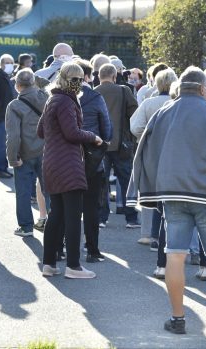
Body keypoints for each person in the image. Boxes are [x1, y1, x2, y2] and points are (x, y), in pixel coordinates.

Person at [126, 66, 206, 335]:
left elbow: (144, 151)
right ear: (203, 89)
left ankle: (177, 319)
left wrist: (148, 190)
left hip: (172, 196)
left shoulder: (163, 112)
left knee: (174, 256)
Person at [38, 62, 103, 279]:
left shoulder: (52, 99)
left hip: (51, 161)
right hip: (69, 163)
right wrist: (92, 137)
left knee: (55, 214)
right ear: (75, 80)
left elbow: (41, 131)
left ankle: (48, 264)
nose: (83, 83)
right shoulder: (66, 100)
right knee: (73, 215)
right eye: (81, 79)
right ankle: (73, 266)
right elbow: (72, 133)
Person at [130, 69, 177, 245]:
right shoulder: (176, 103)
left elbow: (135, 127)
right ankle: (167, 235)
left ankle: (147, 233)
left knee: (149, 191)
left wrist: (147, 137)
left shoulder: (148, 104)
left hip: (151, 152)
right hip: (172, 153)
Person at [76, 59, 113, 263]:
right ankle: (92, 249)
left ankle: (61, 247)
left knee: (65, 206)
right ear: (89, 77)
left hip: (66, 158)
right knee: (91, 206)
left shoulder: (59, 96)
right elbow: (107, 130)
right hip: (92, 158)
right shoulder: (95, 97)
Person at [95, 63, 140, 228]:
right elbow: (135, 114)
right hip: (122, 144)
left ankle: (101, 217)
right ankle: (131, 218)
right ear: (115, 76)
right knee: (126, 181)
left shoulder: (94, 92)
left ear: (99, 76)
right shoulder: (124, 90)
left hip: (99, 145)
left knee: (101, 182)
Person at [5, 68, 49, 237]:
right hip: (46, 151)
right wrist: (34, 79)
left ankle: (26, 227)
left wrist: (12, 157)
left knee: (23, 191)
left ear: (17, 86)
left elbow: (14, 135)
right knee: (50, 191)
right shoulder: (47, 98)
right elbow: (47, 84)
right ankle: (54, 223)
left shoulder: (15, 105)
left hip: (25, 153)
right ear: (33, 82)